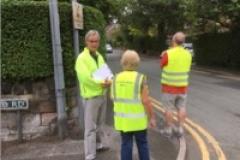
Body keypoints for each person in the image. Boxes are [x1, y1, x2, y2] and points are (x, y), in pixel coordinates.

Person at [111, 50, 156, 160]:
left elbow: (113, 98)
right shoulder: (140, 78)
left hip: (123, 121)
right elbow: (146, 101)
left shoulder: (115, 78)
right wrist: (152, 117)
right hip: (138, 121)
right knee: (142, 144)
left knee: (126, 145)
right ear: (136, 62)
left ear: (123, 62)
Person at [75, 30, 111, 160]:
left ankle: (100, 144)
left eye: (96, 41)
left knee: (100, 124)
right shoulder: (81, 58)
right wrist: (102, 83)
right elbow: (85, 78)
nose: (94, 44)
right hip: (91, 97)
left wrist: (108, 80)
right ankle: (90, 155)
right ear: (86, 42)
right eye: (92, 41)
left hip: (102, 95)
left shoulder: (99, 56)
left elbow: (105, 71)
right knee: (90, 128)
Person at [160, 32, 192, 137]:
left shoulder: (168, 53)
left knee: (168, 108)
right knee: (181, 107)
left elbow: (162, 65)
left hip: (169, 87)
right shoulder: (188, 54)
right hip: (182, 87)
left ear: (173, 40)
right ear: (183, 42)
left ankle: (169, 129)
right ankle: (180, 129)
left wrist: (163, 55)